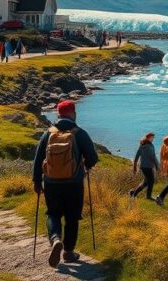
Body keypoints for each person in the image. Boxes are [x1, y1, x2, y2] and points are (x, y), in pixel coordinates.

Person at [32, 101, 99, 268]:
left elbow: (38, 159)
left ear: (58, 114)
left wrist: (36, 181)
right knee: (72, 217)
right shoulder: (79, 133)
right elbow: (93, 157)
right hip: (74, 183)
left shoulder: (48, 133)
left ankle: (55, 239)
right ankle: (68, 252)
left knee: (52, 214)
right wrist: (86, 164)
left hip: (51, 183)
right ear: (73, 113)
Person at [130, 132, 158, 200]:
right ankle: (148, 196)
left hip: (144, 166)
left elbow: (137, 155)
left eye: (153, 138)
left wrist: (135, 166)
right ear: (148, 138)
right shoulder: (148, 146)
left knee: (146, 182)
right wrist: (157, 166)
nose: (153, 139)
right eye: (152, 137)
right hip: (147, 166)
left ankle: (133, 192)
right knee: (151, 181)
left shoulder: (143, 144)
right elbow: (153, 157)